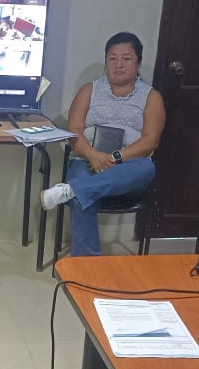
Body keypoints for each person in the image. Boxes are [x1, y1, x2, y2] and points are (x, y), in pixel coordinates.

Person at [39, 32, 165, 257]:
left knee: (147, 167)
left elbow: (151, 140)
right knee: (81, 199)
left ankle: (71, 190)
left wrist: (115, 158)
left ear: (138, 63)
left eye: (126, 58)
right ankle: (87, 267)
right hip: (86, 160)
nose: (118, 65)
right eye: (112, 58)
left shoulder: (151, 97)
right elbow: (74, 131)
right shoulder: (89, 90)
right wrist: (93, 155)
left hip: (128, 167)